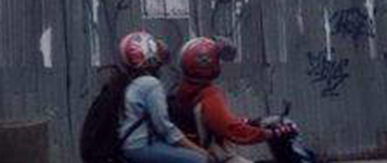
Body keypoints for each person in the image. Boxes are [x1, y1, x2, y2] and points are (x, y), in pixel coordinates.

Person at [174, 37, 294, 163]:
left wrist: (250, 122)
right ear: (207, 64)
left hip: (197, 152)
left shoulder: (182, 90)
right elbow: (233, 131)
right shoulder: (209, 95)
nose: (220, 63)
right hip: (217, 157)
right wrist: (272, 133)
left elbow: (213, 122)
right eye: (217, 60)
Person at [118, 31, 210, 163]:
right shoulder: (150, 84)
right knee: (200, 160)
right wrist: (197, 150)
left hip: (129, 145)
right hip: (142, 147)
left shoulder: (130, 82)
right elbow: (164, 128)